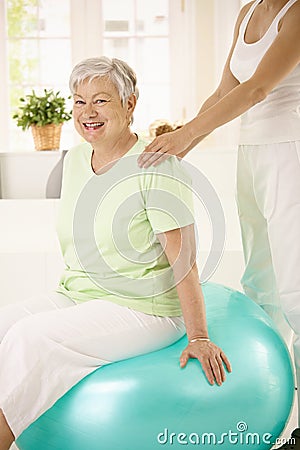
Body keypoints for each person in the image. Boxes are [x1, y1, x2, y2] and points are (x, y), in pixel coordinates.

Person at [0, 57, 231, 450]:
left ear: (129, 104)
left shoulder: (156, 164)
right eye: (78, 101)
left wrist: (199, 335)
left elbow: (184, 260)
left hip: (145, 307)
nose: (88, 112)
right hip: (79, 294)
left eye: (101, 100)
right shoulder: (74, 159)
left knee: (28, 336)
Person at [138, 1, 300, 448]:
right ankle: (272, 410)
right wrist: (183, 135)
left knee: (296, 291)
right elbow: (224, 91)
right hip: (252, 154)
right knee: (261, 286)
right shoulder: (247, 12)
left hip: (292, 151)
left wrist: (188, 135)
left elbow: (258, 90)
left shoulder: (296, 12)